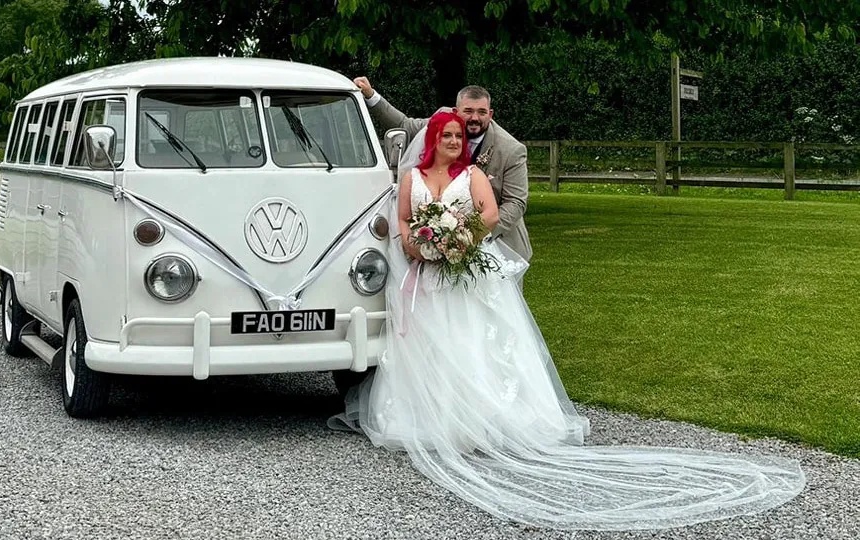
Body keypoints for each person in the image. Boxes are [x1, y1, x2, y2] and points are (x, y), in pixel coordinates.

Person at [327, 111, 805, 531]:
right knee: (434, 346)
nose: (454, 141)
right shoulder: (409, 178)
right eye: (447, 135)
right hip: (428, 278)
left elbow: (490, 214)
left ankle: (484, 420)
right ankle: (435, 418)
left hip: (466, 273)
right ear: (432, 137)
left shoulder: (471, 173)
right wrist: (421, 246)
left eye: (458, 135)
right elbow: (406, 223)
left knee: (475, 342)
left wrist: (458, 242)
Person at [354, 77, 533, 265]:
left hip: (499, 243)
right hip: (435, 244)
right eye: (468, 111)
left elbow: (516, 203)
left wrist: (465, 238)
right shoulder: (442, 121)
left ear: (490, 114)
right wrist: (370, 95)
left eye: (482, 112)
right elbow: (406, 125)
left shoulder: (511, 150)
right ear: (456, 112)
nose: (475, 118)